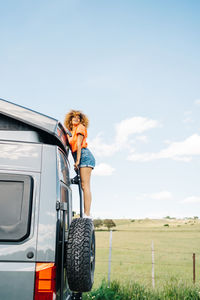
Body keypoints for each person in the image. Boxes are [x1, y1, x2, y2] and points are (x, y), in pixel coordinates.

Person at [64, 110, 95, 218]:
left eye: (78, 117)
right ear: (70, 119)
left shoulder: (80, 127)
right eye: (74, 117)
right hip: (79, 157)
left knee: (85, 185)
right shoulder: (70, 132)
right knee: (82, 185)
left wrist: (77, 161)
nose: (76, 119)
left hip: (84, 157)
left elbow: (78, 145)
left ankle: (87, 214)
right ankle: (85, 213)